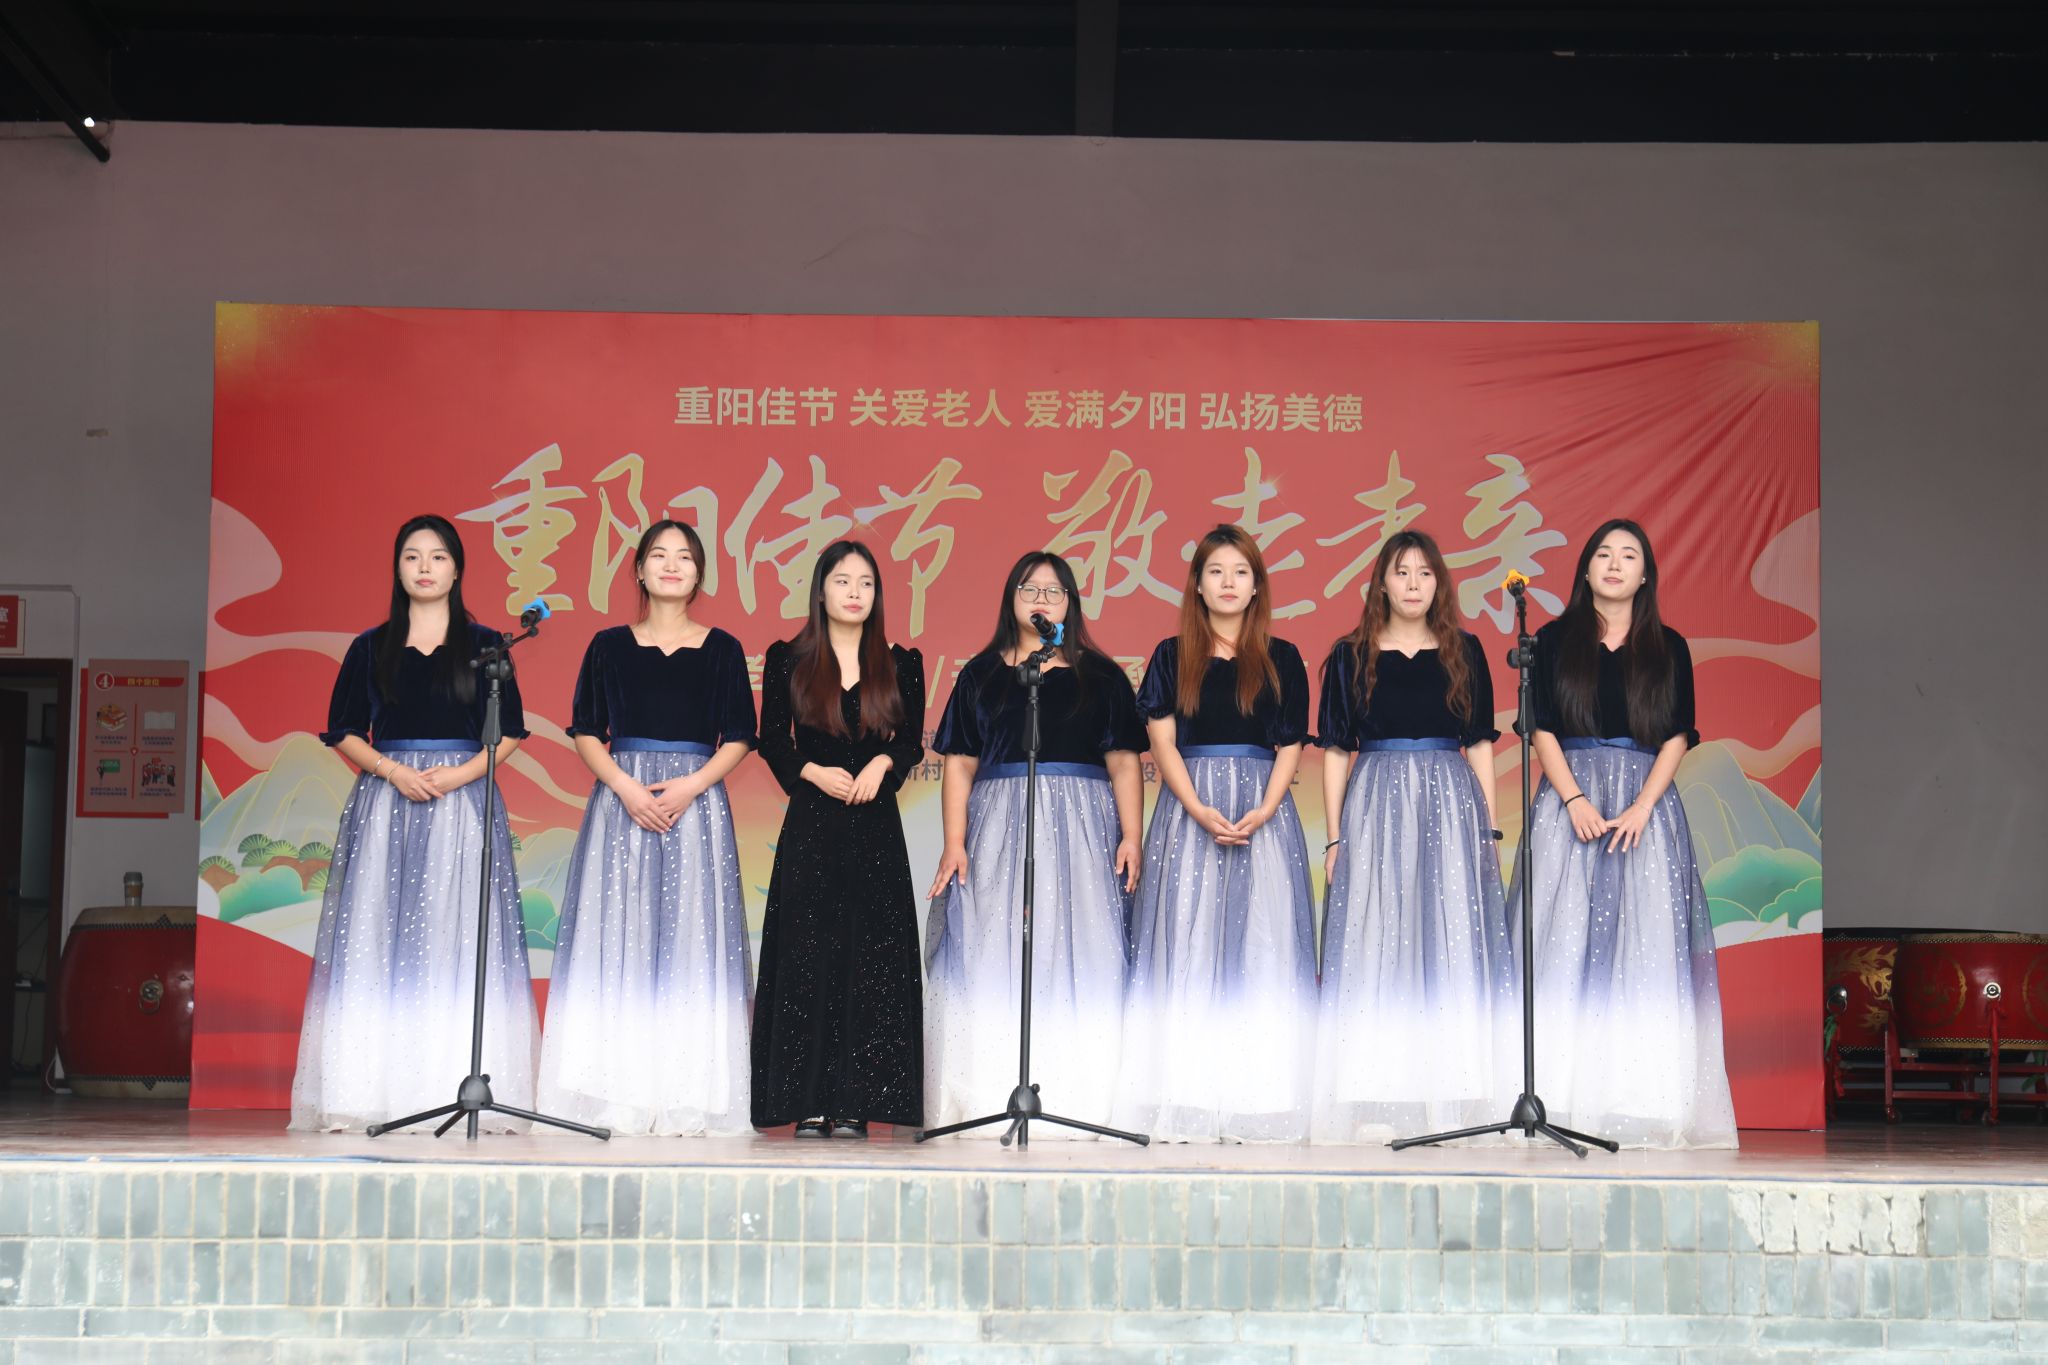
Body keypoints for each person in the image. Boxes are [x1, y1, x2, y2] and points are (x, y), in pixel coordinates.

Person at [293, 514, 537, 1132]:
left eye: (438, 557)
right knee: (377, 938)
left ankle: (447, 1082)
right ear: (397, 569)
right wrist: (392, 771)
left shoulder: (487, 646)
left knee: (456, 939)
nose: (425, 568)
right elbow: (343, 730)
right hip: (386, 804)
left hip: (463, 805)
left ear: (457, 569)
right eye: (412, 557)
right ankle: (370, 1093)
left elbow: (509, 732)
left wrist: (457, 777)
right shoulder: (369, 647)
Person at [1515, 518, 1737, 1149]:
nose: (1614, 565)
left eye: (1629, 556)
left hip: (1647, 812)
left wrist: (1642, 806)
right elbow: (1540, 727)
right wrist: (1574, 798)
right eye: (1603, 555)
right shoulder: (1552, 641)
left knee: (1646, 951)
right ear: (1585, 570)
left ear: (1645, 575)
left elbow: (1677, 734)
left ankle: (1640, 1101)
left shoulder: (1669, 647)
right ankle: (1555, 1098)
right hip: (1569, 805)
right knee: (1560, 946)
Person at [535, 520, 757, 1135]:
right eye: (659, 555)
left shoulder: (723, 648)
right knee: (619, 937)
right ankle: (618, 1096)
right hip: (622, 803)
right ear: (638, 569)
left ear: (700, 573)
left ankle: (688, 1097)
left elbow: (741, 736)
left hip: (695, 806)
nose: (671, 565)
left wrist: (691, 785)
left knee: (693, 943)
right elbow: (586, 730)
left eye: (684, 556)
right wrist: (627, 787)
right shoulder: (608, 646)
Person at [924, 552, 1146, 1137]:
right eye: (1030, 589)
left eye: (1054, 591)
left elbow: (1124, 762)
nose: (1041, 600)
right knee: (996, 949)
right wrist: (954, 841)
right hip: (1000, 826)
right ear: (1010, 599)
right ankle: (989, 1087)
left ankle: (1082, 1092)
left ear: (1070, 604)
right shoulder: (980, 674)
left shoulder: (1101, 676)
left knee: (1083, 948)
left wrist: (1131, 835)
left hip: (1083, 829)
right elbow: (959, 762)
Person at [1308, 529, 1514, 1144]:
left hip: (1451, 803)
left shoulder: (1465, 650)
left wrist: (1488, 828)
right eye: (1402, 572)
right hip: (1374, 802)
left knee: (1449, 938)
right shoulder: (1350, 655)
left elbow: (1480, 743)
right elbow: (1336, 752)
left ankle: (1454, 1091)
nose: (1414, 584)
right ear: (1381, 584)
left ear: (1439, 584)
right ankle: (1375, 1092)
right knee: (1377, 942)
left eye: (1425, 573)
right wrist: (1336, 838)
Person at [1113, 525, 1317, 1143]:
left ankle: (1258, 1099)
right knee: (1189, 945)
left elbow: (1290, 744)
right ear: (1197, 586)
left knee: (1264, 949)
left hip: (1264, 815)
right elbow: (1161, 742)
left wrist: (1267, 806)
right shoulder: (1171, 655)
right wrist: (1197, 808)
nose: (1228, 582)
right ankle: (1188, 1096)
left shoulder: (1282, 657)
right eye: (1216, 572)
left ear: (1257, 587)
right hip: (1188, 813)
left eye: (1240, 572)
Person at [752, 541, 925, 1138]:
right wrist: (811, 772)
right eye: (843, 580)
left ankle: (856, 1101)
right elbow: (772, 740)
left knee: (871, 959)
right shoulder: (788, 658)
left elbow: (912, 741)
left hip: (876, 827)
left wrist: (883, 763)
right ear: (821, 590)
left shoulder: (900, 663)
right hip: (813, 824)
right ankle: (808, 1100)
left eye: (866, 583)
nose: (855, 592)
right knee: (808, 956)